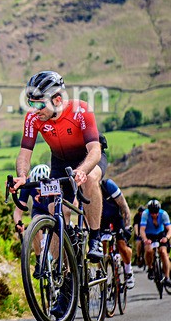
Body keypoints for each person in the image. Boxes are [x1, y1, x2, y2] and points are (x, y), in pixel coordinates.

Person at [11, 70, 106, 262]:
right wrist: (22, 176)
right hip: (60, 162)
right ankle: (63, 277)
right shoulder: (33, 118)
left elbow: (95, 150)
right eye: (31, 103)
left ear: (56, 100)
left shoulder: (81, 110)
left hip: (89, 158)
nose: (35, 109)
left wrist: (82, 170)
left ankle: (95, 238)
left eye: (39, 103)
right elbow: (24, 153)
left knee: (90, 180)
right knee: (57, 212)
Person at [13, 163, 52, 278]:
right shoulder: (29, 183)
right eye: (37, 189)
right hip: (39, 209)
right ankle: (39, 260)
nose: (39, 191)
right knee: (35, 223)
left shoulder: (54, 180)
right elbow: (18, 211)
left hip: (53, 208)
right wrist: (18, 223)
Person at [99, 179, 135, 289]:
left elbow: (124, 206)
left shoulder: (108, 185)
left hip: (117, 217)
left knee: (121, 245)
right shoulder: (86, 189)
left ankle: (128, 271)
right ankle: (102, 274)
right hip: (101, 219)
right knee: (100, 247)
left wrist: (127, 227)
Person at [140, 199, 171, 287]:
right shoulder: (145, 214)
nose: (154, 215)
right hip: (149, 235)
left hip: (160, 234)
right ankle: (150, 268)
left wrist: (166, 238)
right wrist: (145, 239)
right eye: (152, 213)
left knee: (163, 252)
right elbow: (142, 230)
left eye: (155, 212)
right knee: (148, 251)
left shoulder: (163, 214)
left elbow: (170, 229)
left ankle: (167, 277)